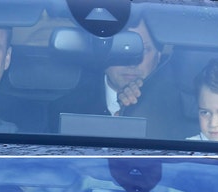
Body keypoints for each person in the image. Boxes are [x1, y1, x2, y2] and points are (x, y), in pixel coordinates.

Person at [49, 17, 184, 140]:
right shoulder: (65, 110)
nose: (132, 62)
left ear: (159, 55)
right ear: (102, 54)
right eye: (121, 49)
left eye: (143, 50)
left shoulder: (184, 111)